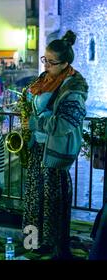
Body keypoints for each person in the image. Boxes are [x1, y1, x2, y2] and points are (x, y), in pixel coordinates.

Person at [23, 30, 88, 260]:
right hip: (37, 147)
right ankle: (33, 243)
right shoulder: (44, 79)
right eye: (45, 60)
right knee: (33, 199)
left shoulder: (74, 88)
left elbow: (66, 124)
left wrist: (35, 123)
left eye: (52, 62)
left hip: (55, 151)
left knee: (52, 203)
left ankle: (55, 247)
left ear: (65, 64)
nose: (46, 65)